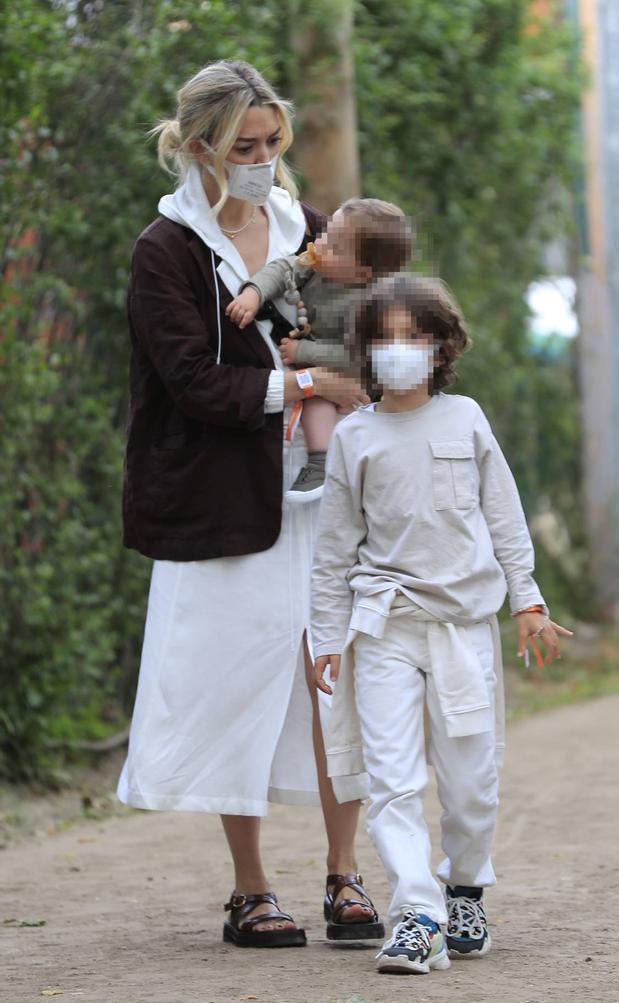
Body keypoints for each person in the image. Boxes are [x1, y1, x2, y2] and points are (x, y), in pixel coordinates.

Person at [117, 59, 385, 949]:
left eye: (274, 142)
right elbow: (192, 381)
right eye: (246, 145)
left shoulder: (307, 227)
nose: (264, 158)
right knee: (238, 686)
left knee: (335, 679)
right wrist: (306, 379)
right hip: (222, 500)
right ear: (200, 147)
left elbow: (358, 327)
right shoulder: (166, 251)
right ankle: (249, 888)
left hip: (324, 499)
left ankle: (346, 875)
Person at [310, 273, 573, 974]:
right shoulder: (354, 437)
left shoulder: (467, 419)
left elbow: (505, 517)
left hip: (461, 627)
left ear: (440, 346)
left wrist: (529, 600)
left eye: (413, 336)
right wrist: (326, 636)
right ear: (365, 350)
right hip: (385, 624)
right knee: (392, 778)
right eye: (385, 338)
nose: (399, 350)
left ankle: (464, 890)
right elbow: (334, 548)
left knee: (470, 782)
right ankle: (417, 915)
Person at [225, 199, 413, 499]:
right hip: (324, 367)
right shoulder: (315, 266)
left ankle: (322, 460)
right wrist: (254, 293)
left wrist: (304, 353)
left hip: (355, 373)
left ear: (364, 273)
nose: (321, 245)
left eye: (336, 247)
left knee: (323, 401)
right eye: (325, 234)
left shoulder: (369, 306)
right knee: (318, 394)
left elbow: (361, 357)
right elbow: (282, 268)